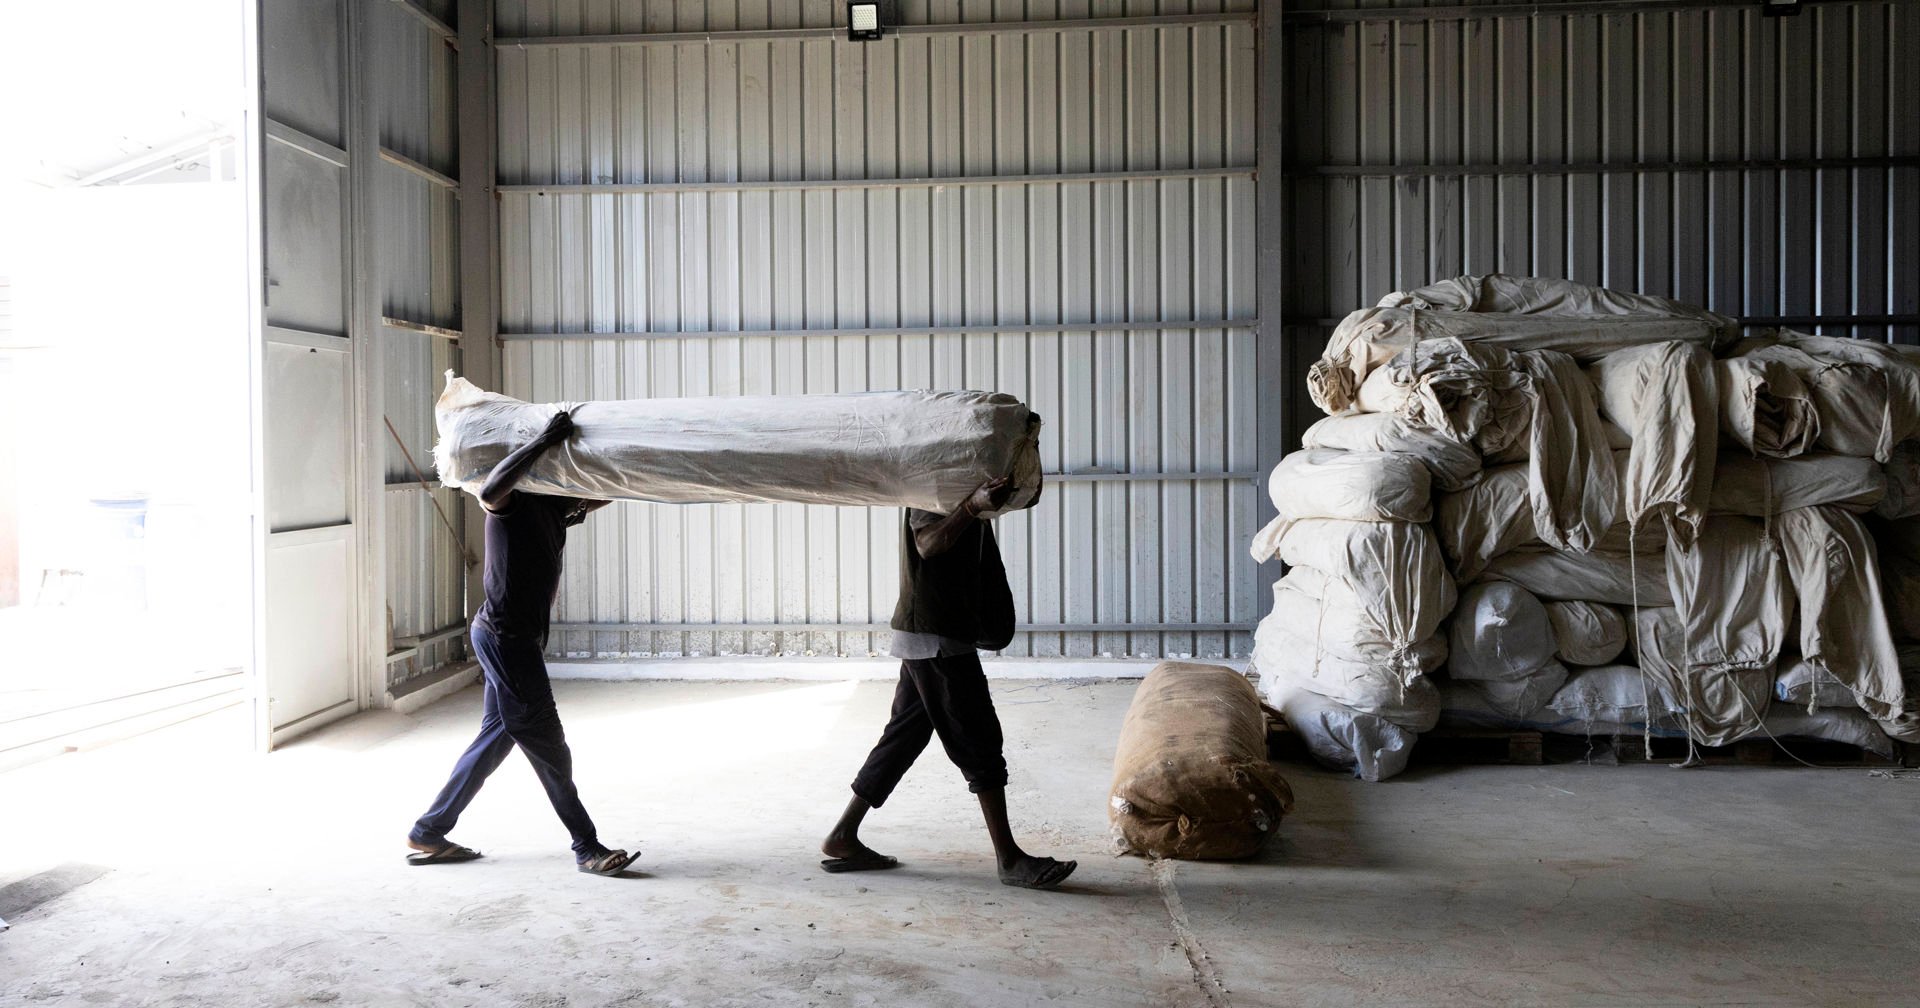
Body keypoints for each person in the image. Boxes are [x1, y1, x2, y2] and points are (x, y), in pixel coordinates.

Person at [405, 409, 636, 877]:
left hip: (506, 637)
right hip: (506, 640)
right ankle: (587, 846)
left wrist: (631, 474)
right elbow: (490, 489)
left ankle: (429, 830)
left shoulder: (553, 509)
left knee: (497, 736)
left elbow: (597, 495)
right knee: (548, 744)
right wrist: (545, 441)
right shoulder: (512, 506)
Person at [821, 476, 1077, 890]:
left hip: (933, 632)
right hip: (937, 636)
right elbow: (928, 543)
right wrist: (972, 507)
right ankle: (1009, 859)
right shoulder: (934, 486)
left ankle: (843, 835)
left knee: (902, 739)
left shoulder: (954, 485)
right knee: (978, 738)